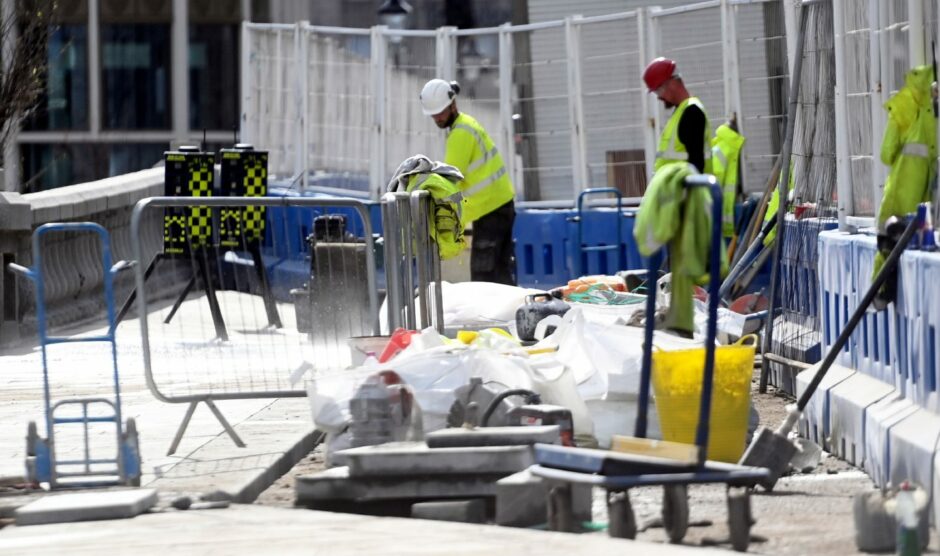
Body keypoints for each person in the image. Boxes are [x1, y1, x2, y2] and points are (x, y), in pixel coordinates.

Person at [419, 78, 516, 285]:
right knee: (500, 272)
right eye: (434, 115)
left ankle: (490, 318)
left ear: (453, 104)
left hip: (490, 209)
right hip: (499, 205)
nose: (437, 118)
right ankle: (510, 315)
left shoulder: (460, 134)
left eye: (441, 112)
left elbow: (449, 181)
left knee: (484, 277)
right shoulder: (467, 124)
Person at [642, 57, 711, 174]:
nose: (659, 97)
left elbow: (696, 165)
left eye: (658, 91)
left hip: (684, 192)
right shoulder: (682, 112)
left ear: (672, 83)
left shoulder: (691, 113)